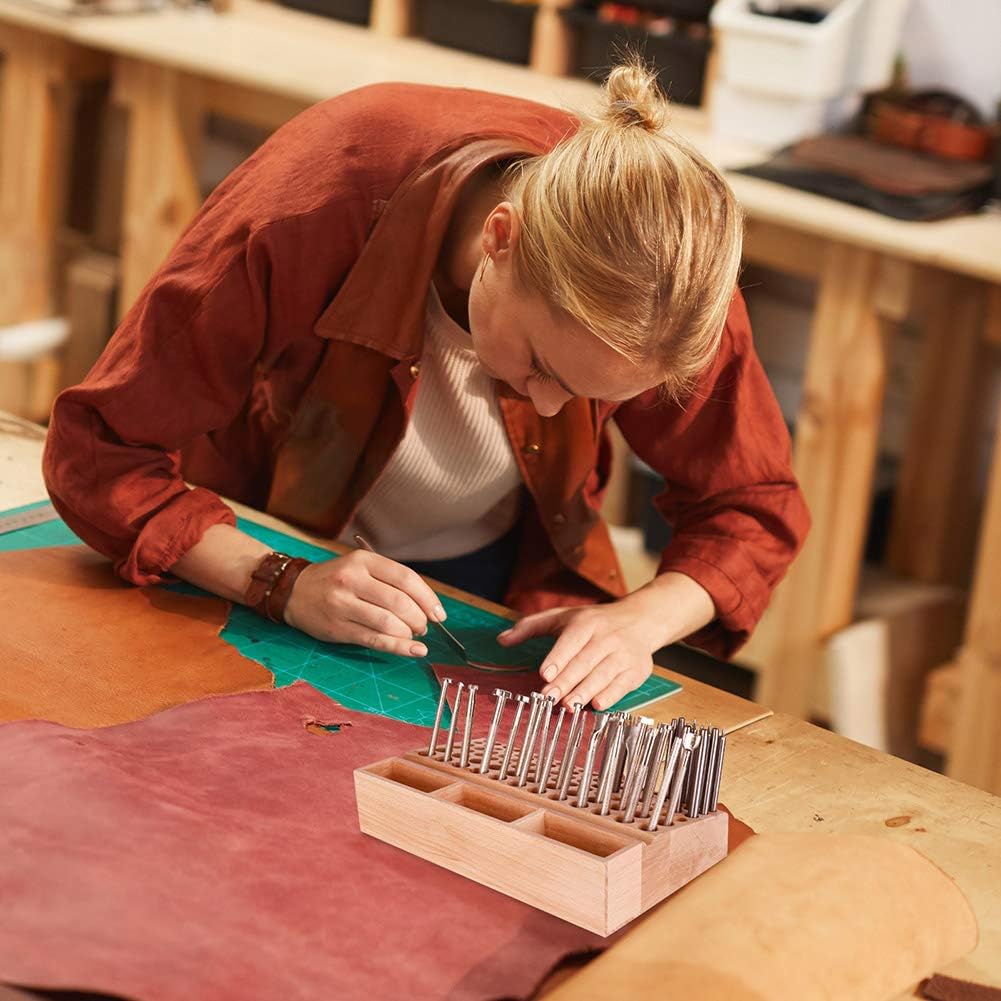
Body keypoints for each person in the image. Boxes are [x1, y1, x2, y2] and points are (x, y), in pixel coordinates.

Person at [43, 60, 809, 712]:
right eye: (543, 366)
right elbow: (101, 450)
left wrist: (638, 621)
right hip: (257, 535)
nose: (548, 405)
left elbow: (750, 506)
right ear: (499, 238)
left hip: (493, 580)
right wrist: (277, 580)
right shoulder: (319, 196)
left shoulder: (668, 286)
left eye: (584, 397)